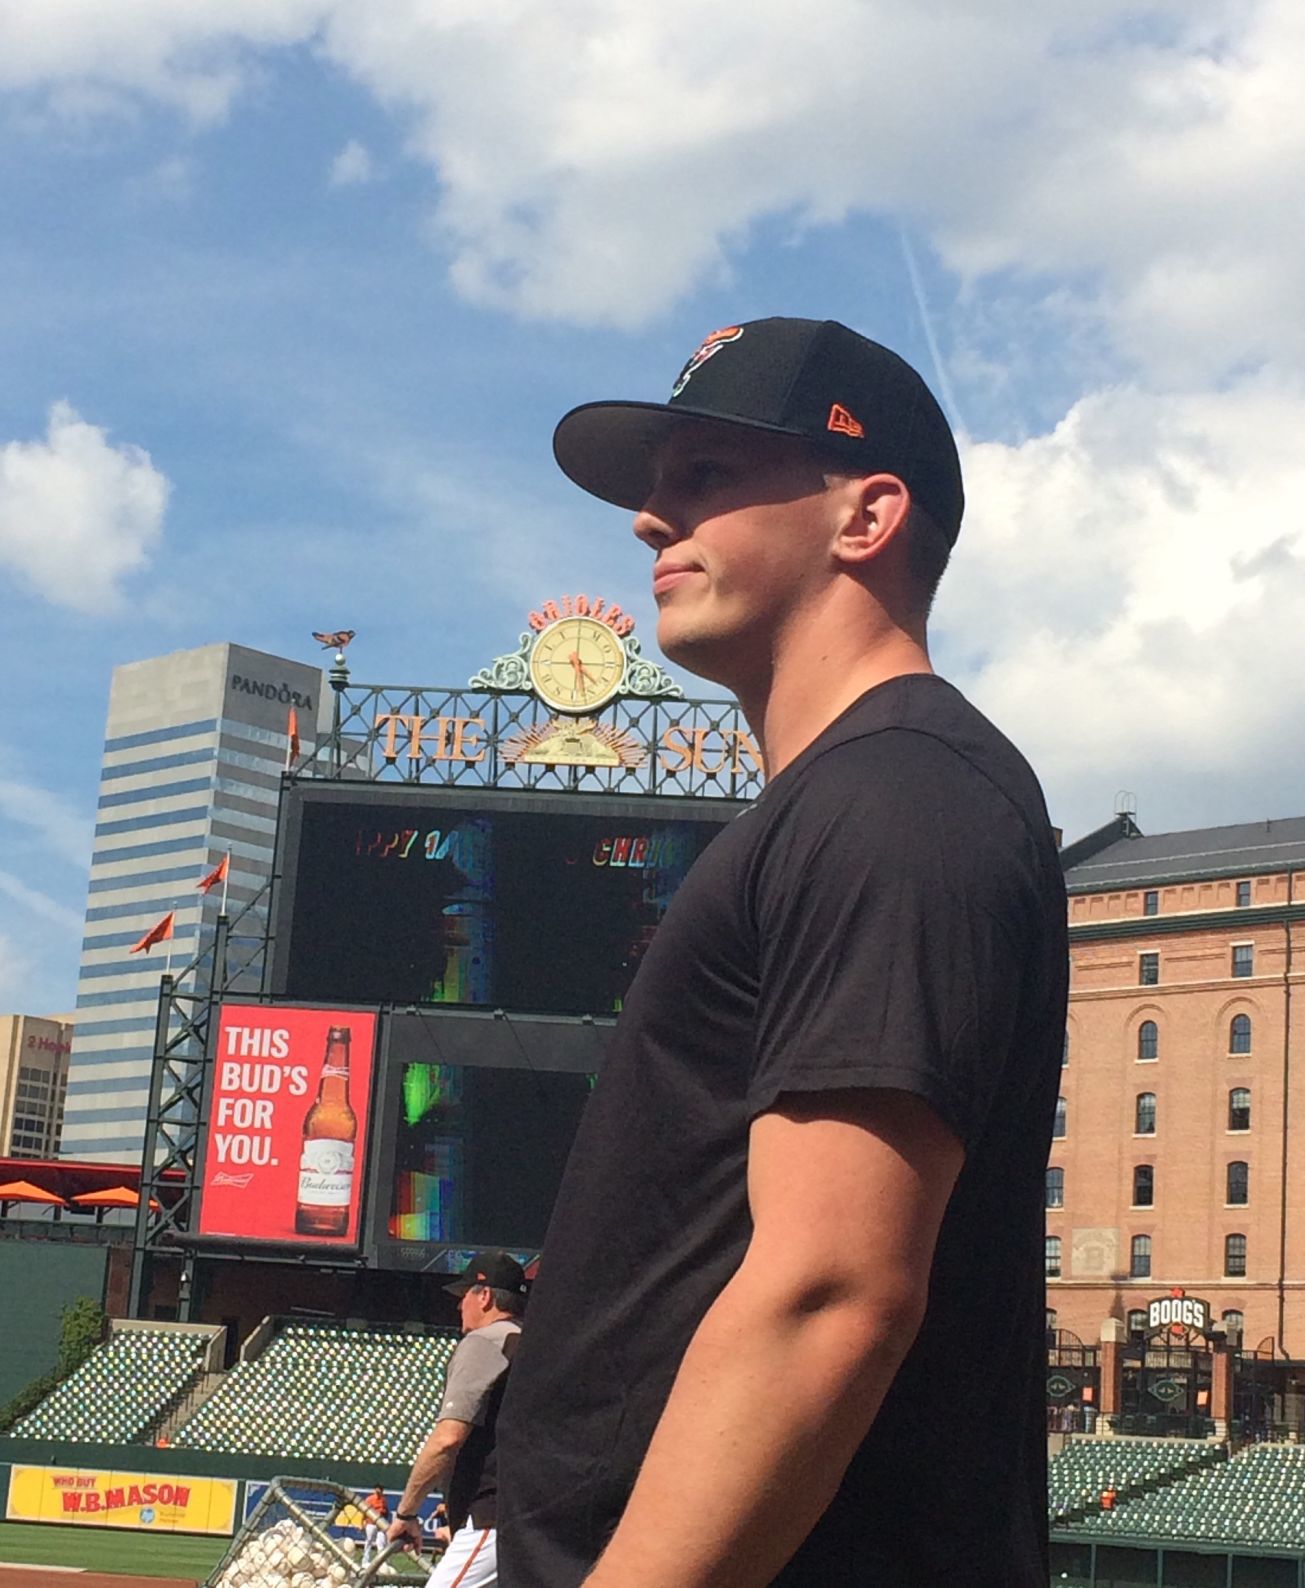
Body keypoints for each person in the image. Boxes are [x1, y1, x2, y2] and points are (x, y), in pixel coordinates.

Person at [496, 317, 1069, 1586]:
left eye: (702, 475)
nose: (650, 518)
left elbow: (832, 1292)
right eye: (655, 486)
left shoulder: (904, 798)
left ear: (865, 516)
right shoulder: (847, 799)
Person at [388, 1250, 525, 1587]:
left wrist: (406, 1513)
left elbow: (447, 1439)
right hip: (537, 1517)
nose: (458, 1305)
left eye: (464, 1296)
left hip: (493, 1515)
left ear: (485, 1296)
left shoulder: (485, 1342)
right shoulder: (538, 1343)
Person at [360, 1483, 390, 1567]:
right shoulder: (370, 1499)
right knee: (369, 1541)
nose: (379, 1491)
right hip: (371, 1523)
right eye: (378, 1489)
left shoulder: (384, 1500)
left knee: (381, 1543)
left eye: (381, 1489)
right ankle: (365, 1561)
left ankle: (382, 1562)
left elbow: (386, 1512)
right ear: (375, 1490)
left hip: (380, 1524)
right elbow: (364, 1511)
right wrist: (362, 1523)